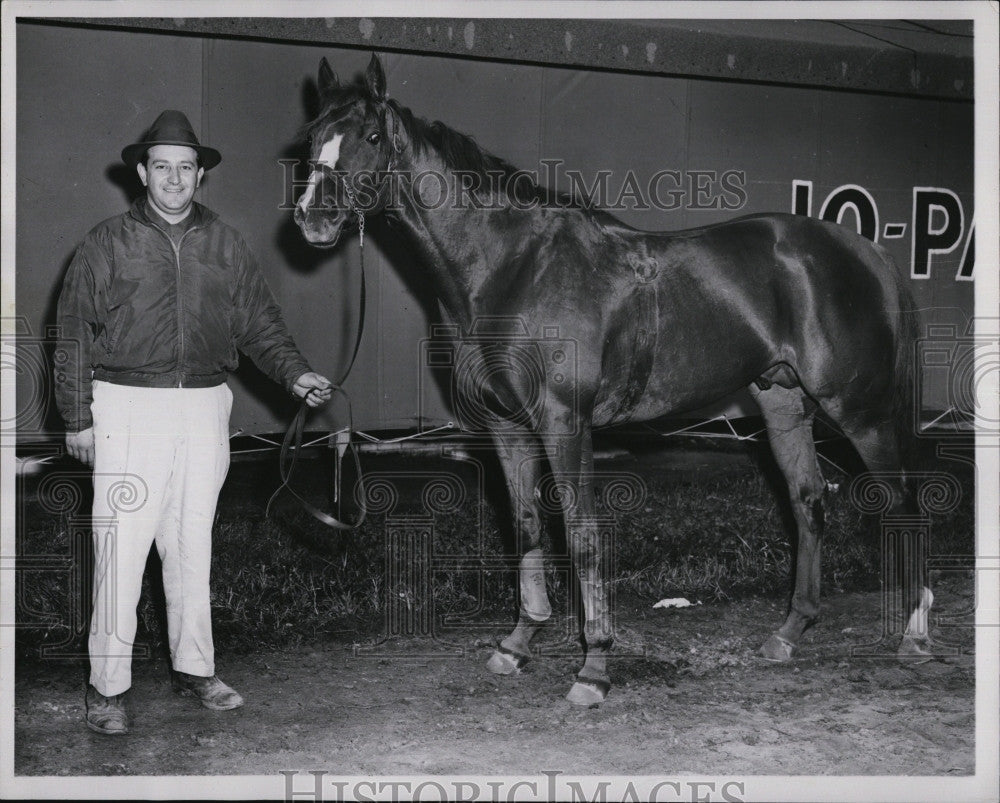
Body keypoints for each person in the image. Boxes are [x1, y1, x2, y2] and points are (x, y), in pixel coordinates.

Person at [54, 110, 333, 735]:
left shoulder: (226, 243)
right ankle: (107, 686)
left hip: (204, 405)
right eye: (162, 167)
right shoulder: (106, 242)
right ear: (142, 172)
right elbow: (71, 332)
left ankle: (197, 668)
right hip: (126, 404)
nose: (175, 178)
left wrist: (295, 375)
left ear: (200, 174)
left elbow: (260, 324)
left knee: (190, 545)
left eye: (186, 167)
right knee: (120, 549)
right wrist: (76, 417)